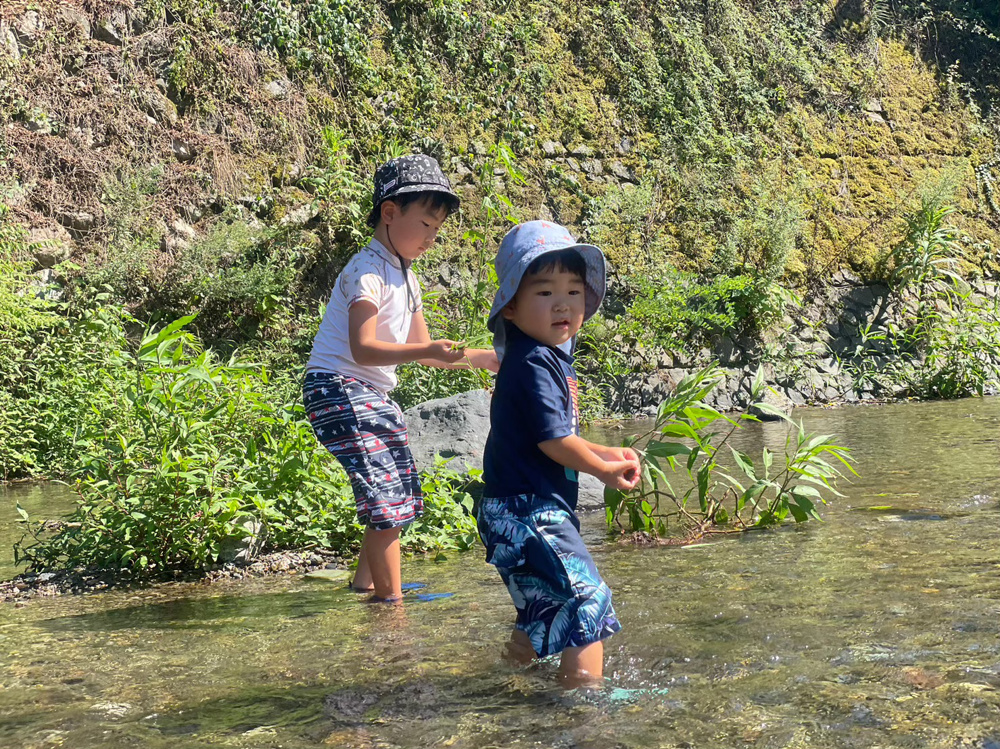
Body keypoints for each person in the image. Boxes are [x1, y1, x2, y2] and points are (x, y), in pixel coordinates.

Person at [304, 154, 499, 603]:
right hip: (337, 387)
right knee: (386, 498)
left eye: (438, 229)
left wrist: (489, 359)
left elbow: (431, 354)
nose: (433, 237)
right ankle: (390, 608)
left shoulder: (408, 279)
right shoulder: (366, 270)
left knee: (397, 492)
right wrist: (424, 351)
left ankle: (365, 587)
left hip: (368, 393)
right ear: (389, 213)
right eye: (427, 224)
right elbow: (363, 348)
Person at [477, 220, 642, 688]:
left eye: (574, 290)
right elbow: (554, 444)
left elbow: (554, 433)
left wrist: (603, 448)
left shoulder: (543, 357)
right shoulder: (532, 362)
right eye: (545, 292)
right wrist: (605, 471)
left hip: (513, 508)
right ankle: (583, 710)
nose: (564, 302)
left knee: (544, 607)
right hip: (528, 510)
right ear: (510, 307)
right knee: (588, 601)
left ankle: (503, 684)